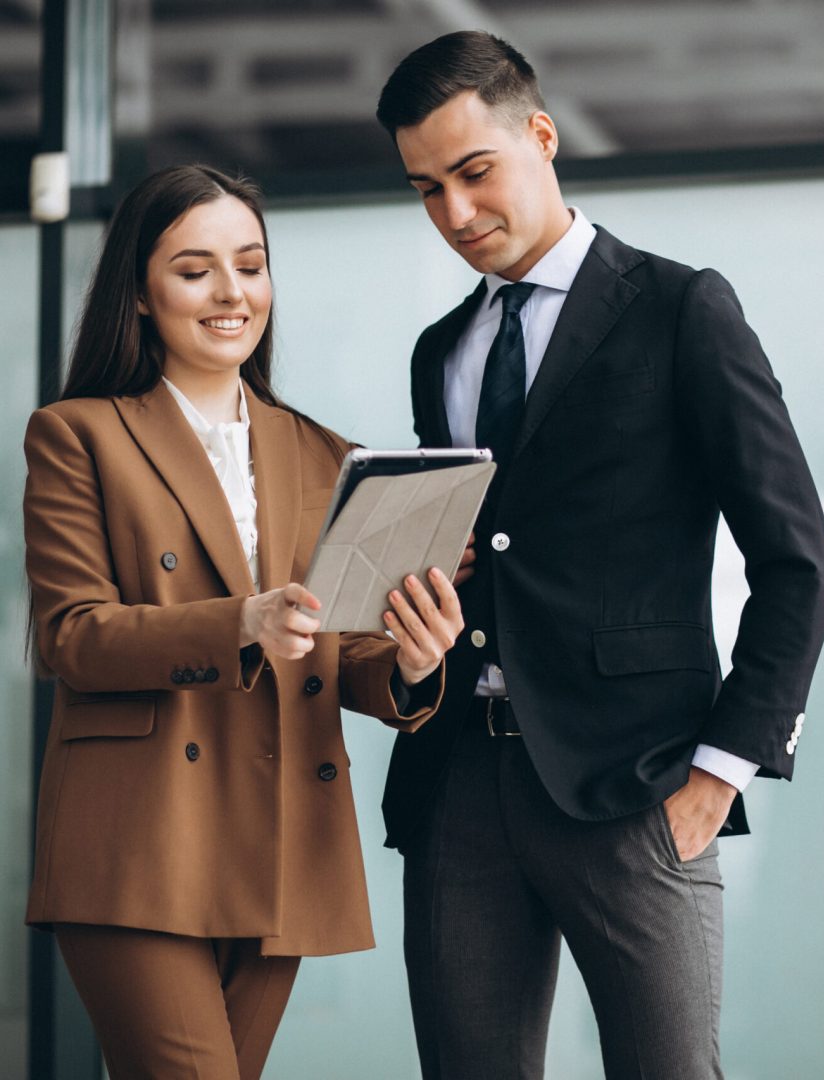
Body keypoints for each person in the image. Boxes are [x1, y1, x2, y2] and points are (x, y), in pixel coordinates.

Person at [375, 31, 824, 1080]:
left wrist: (719, 775)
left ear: (541, 136)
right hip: (457, 783)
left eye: (474, 172)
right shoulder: (438, 351)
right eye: (426, 189)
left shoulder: (683, 309)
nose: (454, 213)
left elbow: (799, 559)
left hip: (637, 784)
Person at [22, 164, 463, 1080]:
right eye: (195, 270)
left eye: (251, 265)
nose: (233, 293)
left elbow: (344, 651)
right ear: (139, 295)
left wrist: (412, 663)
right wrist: (241, 622)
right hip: (143, 840)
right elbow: (73, 637)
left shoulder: (324, 452)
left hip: (279, 834)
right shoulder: (78, 435)